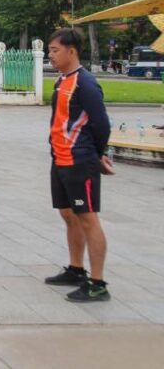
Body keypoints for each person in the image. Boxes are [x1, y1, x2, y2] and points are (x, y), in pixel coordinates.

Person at [43, 28, 113, 302]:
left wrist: (97, 154)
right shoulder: (62, 80)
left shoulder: (86, 84)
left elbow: (101, 124)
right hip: (60, 159)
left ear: (72, 51)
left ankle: (98, 283)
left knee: (88, 218)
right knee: (68, 214)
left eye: (55, 50)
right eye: (49, 50)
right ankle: (76, 269)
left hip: (79, 161)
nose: (50, 55)